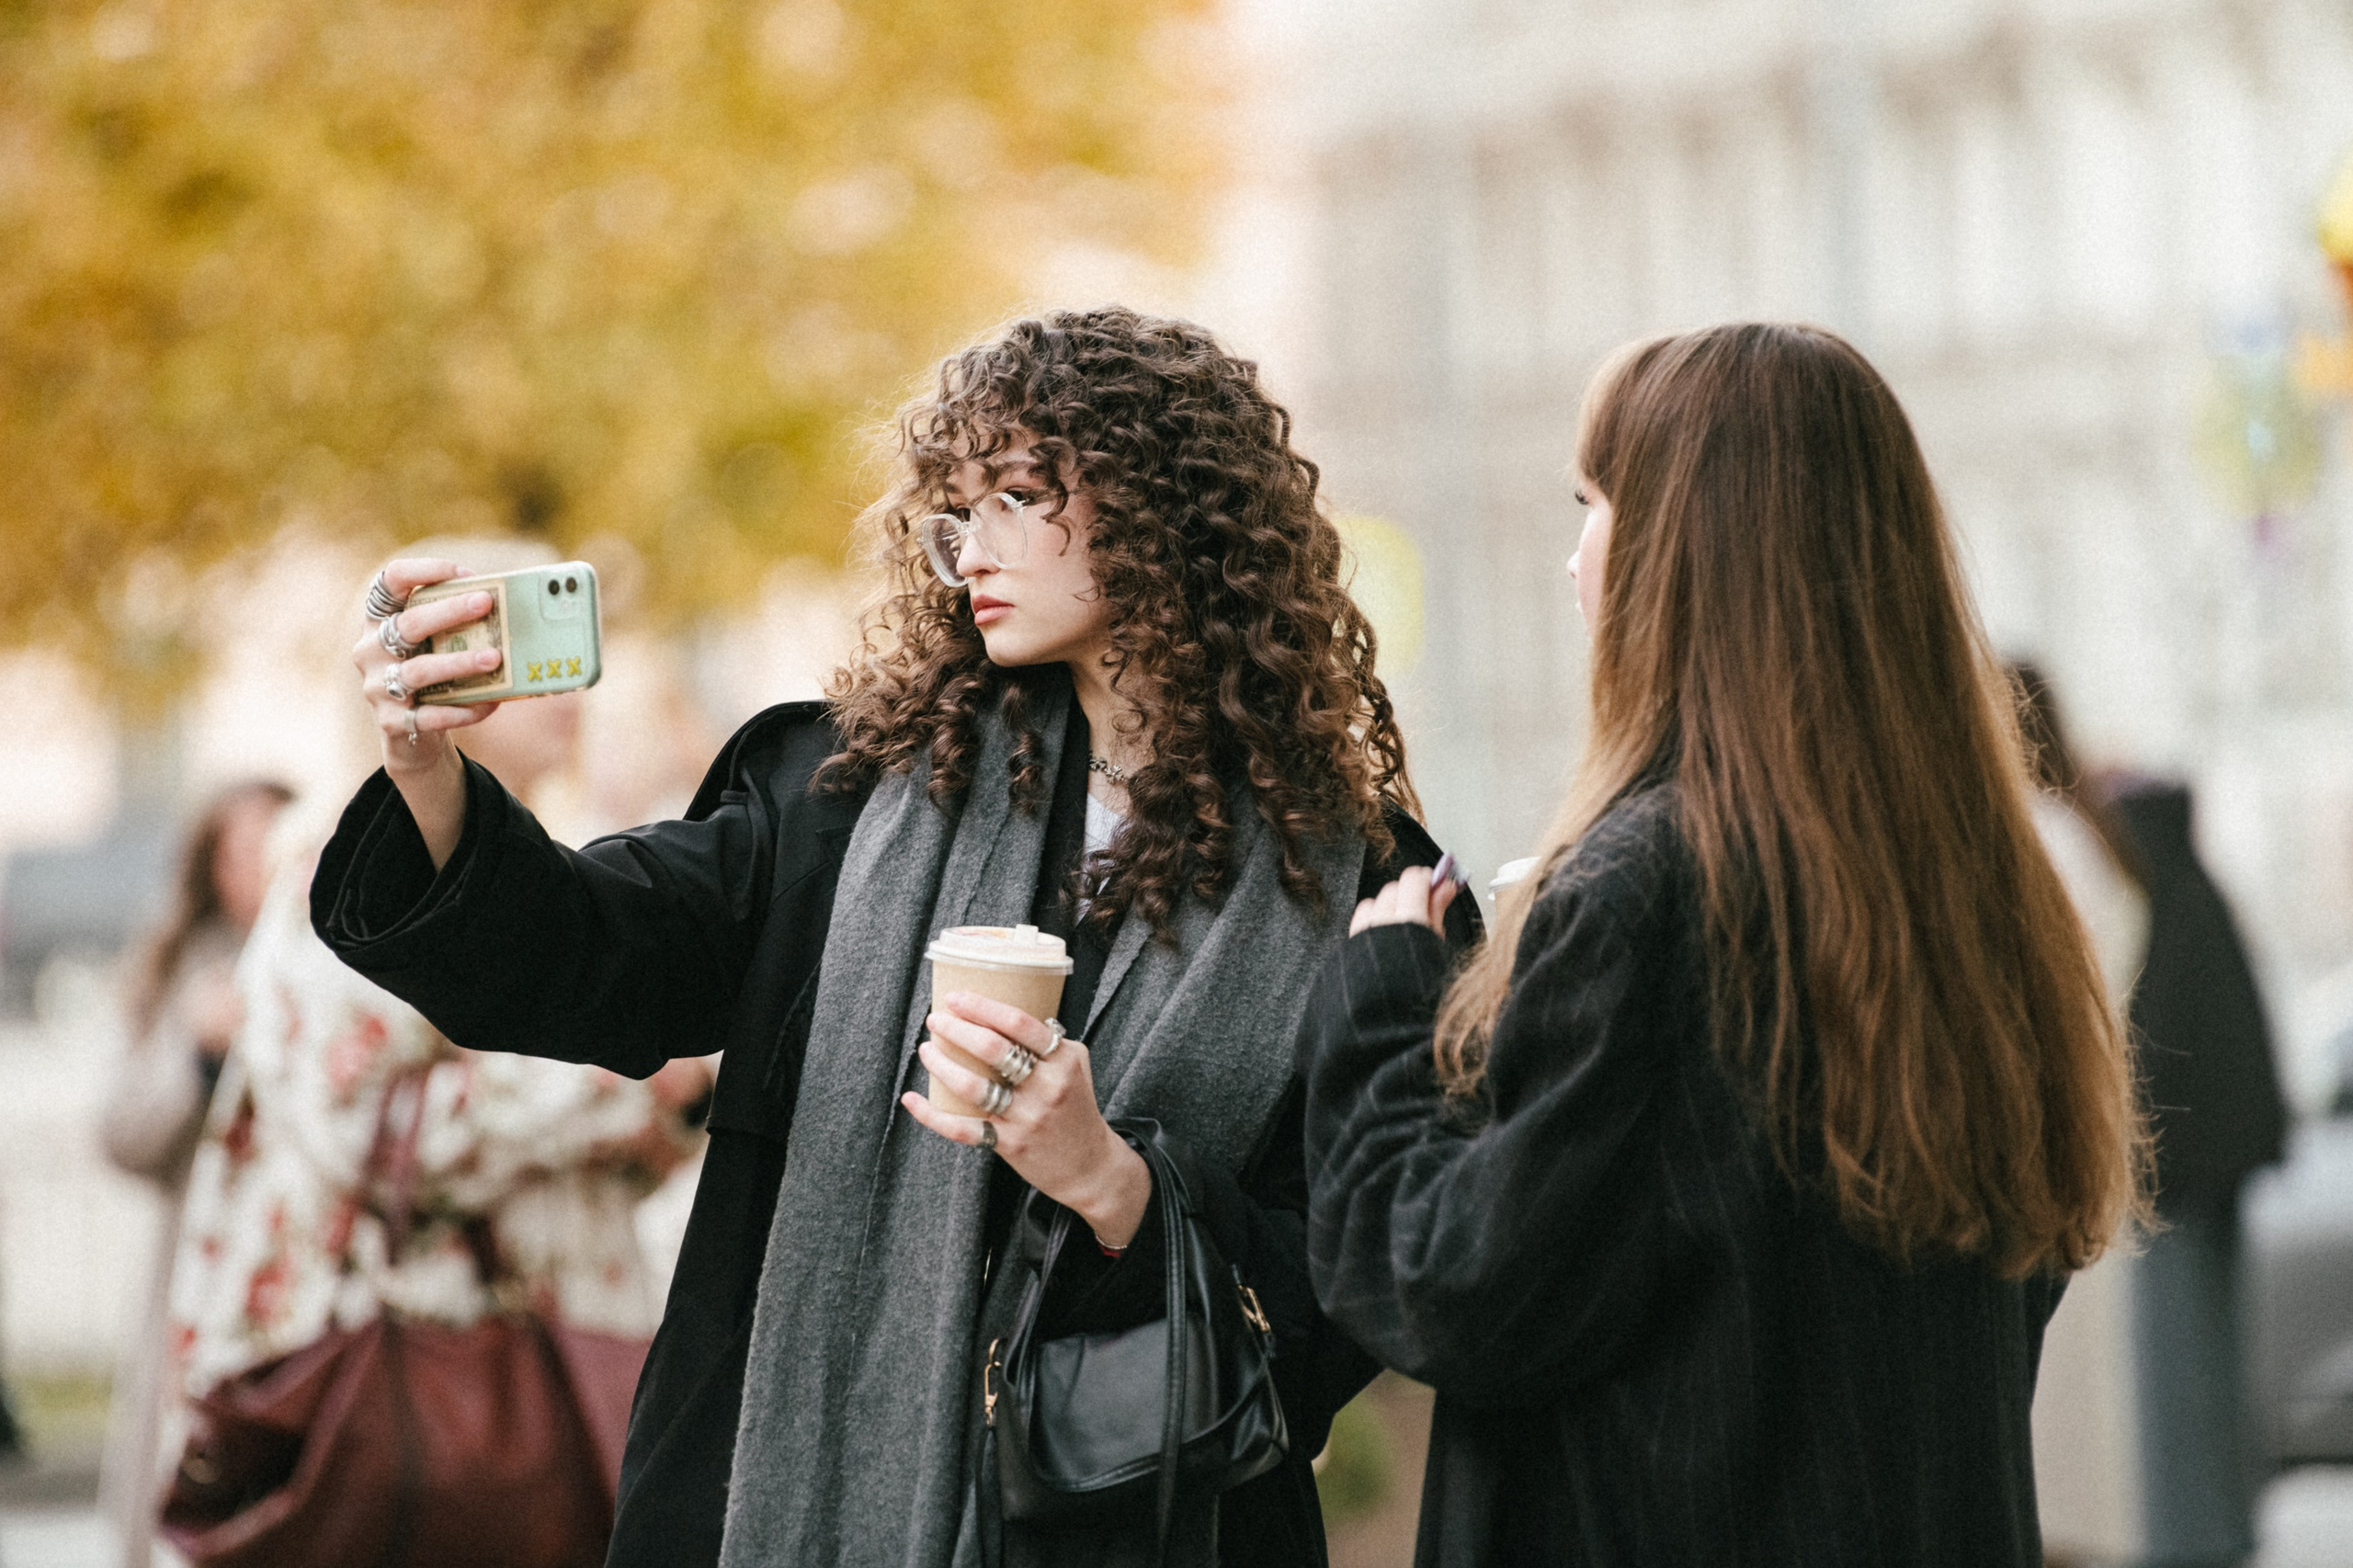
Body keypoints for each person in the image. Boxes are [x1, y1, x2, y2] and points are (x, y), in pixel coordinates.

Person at [309, 305, 1476, 1568]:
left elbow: (1371, 1284)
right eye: (956, 508)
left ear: (1166, 508)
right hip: (777, 1502)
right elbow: (597, 954)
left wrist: (1117, 1185)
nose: (971, 542)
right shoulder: (849, 795)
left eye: (1020, 494)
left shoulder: (1365, 884)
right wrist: (426, 766)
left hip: (1138, 1525)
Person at [1302, 323, 2148, 1566]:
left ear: (1683, 555)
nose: (1574, 561)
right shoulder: (1974, 884)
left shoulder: (1647, 889)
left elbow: (1460, 1291)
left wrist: (1384, 1004)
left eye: (1595, 507)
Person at [161, 549, 705, 1561]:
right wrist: (619, 1082)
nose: (562, 681)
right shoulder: (351, 864)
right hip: (388, 1351)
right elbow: (356, 1122)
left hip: (546, 1352)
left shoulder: (575, 858)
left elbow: (631, 1152)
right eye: (505, 639)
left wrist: (661, 1100)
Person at [99, 778, 293, 1568]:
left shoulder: (350, 955)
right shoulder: (186, 975)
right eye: (235, 852)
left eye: (271, 846)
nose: (256, 868)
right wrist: (201, 1056)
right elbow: (122, 1136)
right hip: (202, 1281)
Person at [2105, 772, 2285, 1567]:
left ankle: (2192, 1544)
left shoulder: (2145, 897)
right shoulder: (2199, 893)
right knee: (2215, 1366)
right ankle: (2223, 1530)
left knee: (2176, 1373)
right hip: (2225, 1170)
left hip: (2170, 1180)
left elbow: (2148, 1058)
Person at [2009, 662, 2151, 1564]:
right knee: (2080, 1442)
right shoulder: (2084, 837)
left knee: (2047, 1443)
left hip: (2032, 1160)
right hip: (2084, 1151)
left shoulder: (2031, 839)